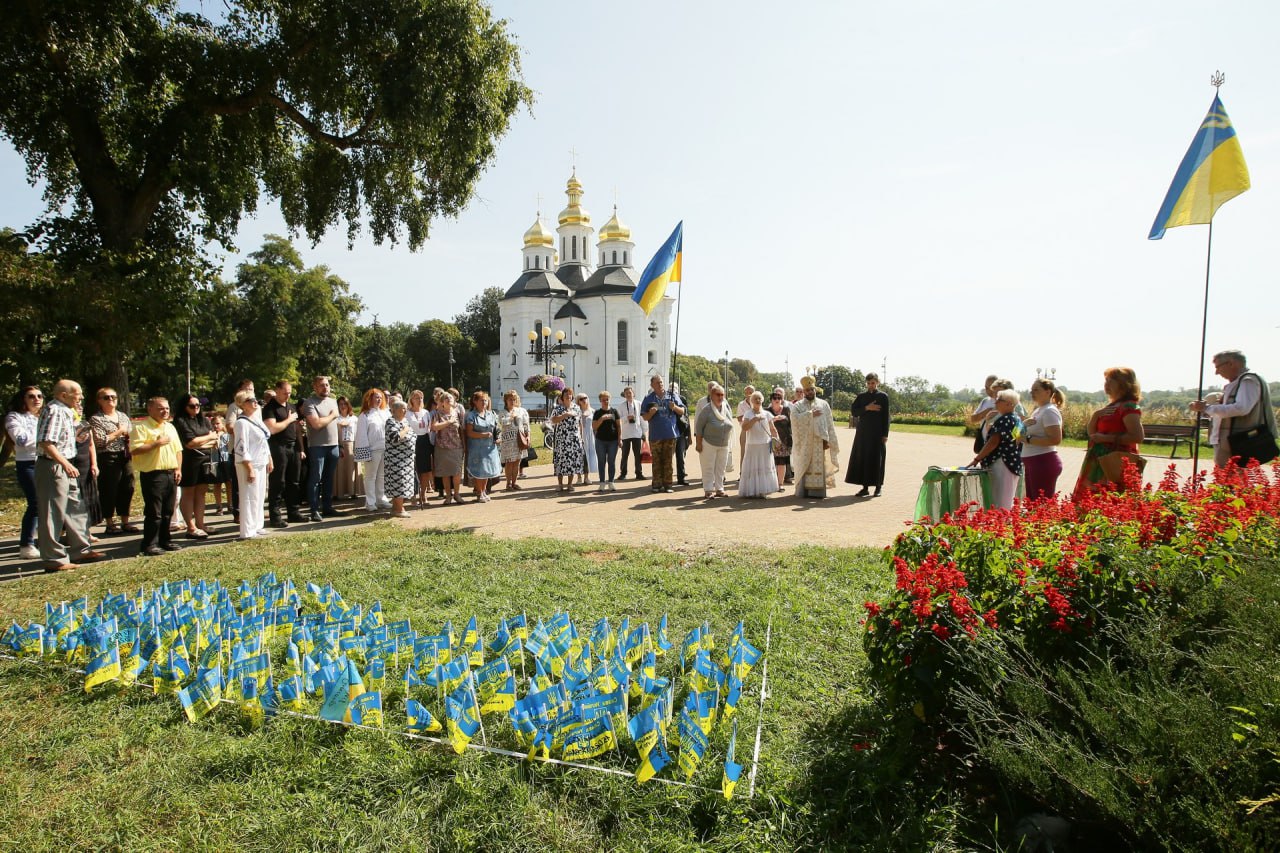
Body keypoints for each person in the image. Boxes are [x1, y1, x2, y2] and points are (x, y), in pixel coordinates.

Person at [33, 380, 105, 570]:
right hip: (53, 465)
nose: (81, 397)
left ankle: (80, 550)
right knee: (52, 511)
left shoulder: (66, 410)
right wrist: (64, 464)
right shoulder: (54, 410)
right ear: (64, 395)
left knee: (76, 507)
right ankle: (53, 559)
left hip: (66, 464)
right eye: (78, 393)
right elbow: (46, 442)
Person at [1190, 349, 1278, 468]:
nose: (1216, 372)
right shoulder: (1240, 382)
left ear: (1231, 363)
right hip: (1232, 441)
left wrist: (1207, 408)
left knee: (1231, 481)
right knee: (1227, 480)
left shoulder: (1248, 381)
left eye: (1218, 367)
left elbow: (1241, 408)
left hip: (1238, 442)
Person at [1074, 367, 1146, 498]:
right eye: (1105, 381)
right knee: (1089, 502)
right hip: (1098, 461)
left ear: (1124, 384)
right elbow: (1092, 433)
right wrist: (1095, 416)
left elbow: (1137, 436)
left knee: (1110, 500)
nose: (1106, 385)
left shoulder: (1129, 406)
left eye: (1110, 381)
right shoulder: (1112, 406)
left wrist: (1106, 438)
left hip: (1114, 462)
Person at [129, 396, 184, 556]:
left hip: (171, 473)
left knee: (168, 510)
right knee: (154, 512)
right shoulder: (141, 427)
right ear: (150, 409)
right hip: (153, 474)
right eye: (161, 408)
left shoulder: (170, 427)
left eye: (167, 408)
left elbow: (178, 450)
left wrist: (178, 469)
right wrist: (155, 443)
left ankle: (165, 540)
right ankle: (149, 544)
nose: (165, 411)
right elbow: (135, 449)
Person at [174, 393, 220, 539]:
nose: (196, 408)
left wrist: (203, 441)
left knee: (201, 492)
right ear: (184, 407)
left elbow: (214, 440)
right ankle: (191, 527)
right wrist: (208, 438)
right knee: (188, 492)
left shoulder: (204, 420)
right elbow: (190, 443)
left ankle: (201, 524)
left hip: (205, 460)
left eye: (198, 405)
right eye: (192, 406)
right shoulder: (181, 421)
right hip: (189, 462)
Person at [970, 389, 1024, 510]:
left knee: (999, 501)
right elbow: (1017, 439)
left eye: (1000, 400)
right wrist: (989, 421)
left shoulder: (1005, 419)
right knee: (1006, 500)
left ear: (1010, 404)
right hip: (1012, 463)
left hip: (1002, 462)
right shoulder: (1016, 419)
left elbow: (993, 442)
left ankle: (999, 526)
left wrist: (977, 458)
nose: (996, 402)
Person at [6, 387, 42, 560]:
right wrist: (45, 437)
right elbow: (20, 440)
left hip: (46, 462)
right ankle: (26, 544)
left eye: (39, 396)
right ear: (23, 399)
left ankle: (46, 540)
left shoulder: (43, 417)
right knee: (35, 503)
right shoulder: (14, 417)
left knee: (48, 503)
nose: (37, 399)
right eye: (31, 396)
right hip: (27, 464)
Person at [790, 375, 840, 498]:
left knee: (819, 466)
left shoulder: (824, 404)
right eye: (807, 390)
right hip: (805, 443)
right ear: (803, 391)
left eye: (812, 389)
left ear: (815, 390)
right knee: (805, 465)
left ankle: (818, 492)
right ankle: (804, 491)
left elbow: (829, 423)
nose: (810, 392)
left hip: (819, 442)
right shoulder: (798, 406)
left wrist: (829, 439)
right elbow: (794, 420)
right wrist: (809, 414)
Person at [262, 380, 304, 526]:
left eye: (290, 393)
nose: (288, 395)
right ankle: (275, 516)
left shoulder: (291, 407)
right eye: (285, 392)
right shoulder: (269, 408)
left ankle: (294, 512)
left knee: (294, 481)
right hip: (278, 447)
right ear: (277, 391)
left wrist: (301, 448)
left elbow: (297, 429)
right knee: (278, 482)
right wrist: (289, 419)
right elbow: (272, 429)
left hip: (293, 447)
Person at [232, 391, 272, 540]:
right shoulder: (241, 423)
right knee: (249, 496)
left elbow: (264, 441)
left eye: (256, 399)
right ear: (242, 404)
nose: (255, 402)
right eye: (251, 400)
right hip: (249, 464)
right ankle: (247, 531)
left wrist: (269, 459)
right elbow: (242, 447)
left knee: (260, 495)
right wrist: (249, 469)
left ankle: (257, 525)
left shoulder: (256, 419)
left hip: (261, 462)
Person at [302, 375, 342, 521]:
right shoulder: (309, 403)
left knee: (329, 478)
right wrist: (333, 415)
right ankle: (314, 510)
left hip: (333, 445)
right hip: (317, 446)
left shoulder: (332, 401)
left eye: (327, 385)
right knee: (315, 478)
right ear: (315, 387)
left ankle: (327, 507)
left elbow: (333, 424)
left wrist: (340, 445)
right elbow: (316, 424)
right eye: (321, 385)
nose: (325, 387)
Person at [845, 373, 891, 497]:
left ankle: (878, 487)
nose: (871, 385)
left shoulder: (883, 397)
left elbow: (886, 417)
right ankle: (864, 487)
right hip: (863, 433)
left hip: (877, 433)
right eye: (869, 383)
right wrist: (867, 408)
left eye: (873, 383)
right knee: (863, 458)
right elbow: (854, 412)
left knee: (877, 459)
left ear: (877, 382)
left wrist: (885, 434)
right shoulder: (861, 397)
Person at [1020, 378, 1066, 500]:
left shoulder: (1050, 411)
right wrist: (1023, 424)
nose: (1032, 393)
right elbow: (1016, 436)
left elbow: (1055, 439)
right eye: (1031, 390)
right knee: (1033, 506)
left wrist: (1028, 439)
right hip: (1033, 463)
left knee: (1041, 507)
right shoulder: (1038, 411)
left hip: (1042, 463)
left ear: (1047, 391)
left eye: (1036, 390)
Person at [641, 374, 684, 494]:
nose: (660, 384)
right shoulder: (649, 398)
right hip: (655, 434)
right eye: (657, 383)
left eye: (661, 382)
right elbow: (644, 417)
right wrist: (651, 413)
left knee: (668, 460)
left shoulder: (672, 396)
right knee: (656, 460)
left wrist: (674, 407)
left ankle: (668, 484)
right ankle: (656, 484)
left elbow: (682, 411)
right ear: (652, 385)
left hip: (670, 433)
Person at [694, 383, 734, 498]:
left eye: (722, 395)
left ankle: (719, 489)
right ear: (711, 395)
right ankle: (708, 490)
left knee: (721, 468)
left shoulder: (726, 408)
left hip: (724, 443)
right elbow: (699, 427)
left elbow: (730, 422)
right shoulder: (706, 409)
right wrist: (698, 444)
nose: (720, 397)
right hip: (708, 443)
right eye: (718, 394)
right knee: (708, 467)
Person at [354, 388, 392, 512]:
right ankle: (370, 502)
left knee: (381, 476)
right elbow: (361, 435)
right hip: (372, 450)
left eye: (380, 397)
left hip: (385, 448)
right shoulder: (364, 415)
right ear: (369, 399)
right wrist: (365, 453)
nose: (379, 399)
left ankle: (381, 499)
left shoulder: (386, 413)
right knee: (371, 476)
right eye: (376, 397)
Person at [739, 391, 781, 498]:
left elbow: (772, 428)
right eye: (755, 399)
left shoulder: (767, 414)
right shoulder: (748, 414)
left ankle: (763, 490)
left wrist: (777, 439)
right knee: (753, 468)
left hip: (765, 445)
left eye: (759, 398)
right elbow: (744, 428)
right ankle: (752, 491)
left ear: (762, 400)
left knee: (764, 468)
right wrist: (754, 419)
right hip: (752, 446)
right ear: (752, 401)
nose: (758, 400)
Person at [465, 391, 502, 502]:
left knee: (487, 471)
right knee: (479, 470)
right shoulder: (471, 415)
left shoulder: (491, 414)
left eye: (485, 400)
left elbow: (497, 429)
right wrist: (483, 435)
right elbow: (469, 433)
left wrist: (498, 438)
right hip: (477, 448)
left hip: (490, 448)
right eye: (481, 400)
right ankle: (479, 492)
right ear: (475, 402)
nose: (484, 402)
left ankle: (484, 490)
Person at [383, 399, 416, 517]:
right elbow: (395, 438)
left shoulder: (405, 421)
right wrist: (405, 430)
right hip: (396, 460)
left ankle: (396, 508)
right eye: (403, 408)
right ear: (394, 410)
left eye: (406, 408)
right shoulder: (391, 422)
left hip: (407, 460)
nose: (405, 410)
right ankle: (398, 509)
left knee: (404, 483)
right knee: (399, 483)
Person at [430, 391, 464, 505]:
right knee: (445, 473)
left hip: (456, 446)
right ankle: (448, 496)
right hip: (442, 447)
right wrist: (449, 422)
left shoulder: (457, 412)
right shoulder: (437, 414)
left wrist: (464, 445)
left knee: (457, 472)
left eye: (450, 398)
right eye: (446, 398)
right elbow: (434, 427)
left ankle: (457, 494)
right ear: (442, 402)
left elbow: (462, 429)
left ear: (454, 401)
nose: (448, 399)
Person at [549, 387, 584, 492]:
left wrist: (581, 437)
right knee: (561, 461)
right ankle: (560, 484)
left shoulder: (577, 408)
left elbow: (580, 423)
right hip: (562, 439)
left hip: (574, 439)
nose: (568, 396)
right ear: (562, 397)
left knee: (572, 461)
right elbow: (553, 421)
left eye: (570, 394)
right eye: (566, 395)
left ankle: (570, 484)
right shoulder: (558, 408)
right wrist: (564, 415)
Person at [406, 389, 434, 508]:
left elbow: (429, 428)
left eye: (421, 397)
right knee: (412, 469)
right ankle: (413, 495)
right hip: (411, 441)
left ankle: (423, 494)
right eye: (416, 397)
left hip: (424, 441)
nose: (419, 400)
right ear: (411, 400)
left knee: (425, 470)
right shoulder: (407, 413)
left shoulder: (426, 412)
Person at [498, 390, 530, 491]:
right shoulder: (502, 412)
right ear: (506, 401)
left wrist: (528, 435)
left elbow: (526, 424)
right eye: (510, 399)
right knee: (509, 463)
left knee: (517, 462)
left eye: (514, 399)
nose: (512, 401)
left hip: (519, 440)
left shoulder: (521, 410)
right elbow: (502, 423)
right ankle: (508, 484)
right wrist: (511, 417)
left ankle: (514, 482)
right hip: (507, 442)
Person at [333, 395, 362, 501]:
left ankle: (353, 491)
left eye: (345, 404)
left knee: (351, 468)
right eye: (341, 404)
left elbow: (357, 433)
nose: (343, 406)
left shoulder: (354, 419)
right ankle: (338, 493)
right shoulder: (335, 418)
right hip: (339, 444)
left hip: (351, 444)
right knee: (339, 468)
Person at [592, 391, 620, 492]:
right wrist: (602, 419)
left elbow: (618, 426)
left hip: (613, 441)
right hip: (600, 441)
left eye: (607, 399)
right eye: (603, 400)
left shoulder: (614, 411)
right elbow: (594, 427)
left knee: (611, 462)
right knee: (601, 462)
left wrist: (619, 439)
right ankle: (602, 483)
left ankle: (611, 482)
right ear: (600, 401)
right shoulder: (597, 413)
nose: (606, 401)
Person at [617, 386, 646, 480]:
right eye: (626, 393)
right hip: (625, 434)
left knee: (638, 454)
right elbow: (618, 420)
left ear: (633, 393)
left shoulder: (639, 404)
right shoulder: (621, 406)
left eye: (630, 393)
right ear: (624, 395)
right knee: (624, 455)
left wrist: (644, 432)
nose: (629, 395)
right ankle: (623, 473)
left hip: (637, 432)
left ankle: (639, 473)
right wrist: (626, 418)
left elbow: (642, 418)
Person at [207, 411, 232, 514]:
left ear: (223, 424)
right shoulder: (210, 435)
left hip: (226, 460)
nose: (215, 426)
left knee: (229, 483)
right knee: (217, 484)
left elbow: (229, 446)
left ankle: (230, 504)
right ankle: (219, 506)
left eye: (217, 423)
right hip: (215, 461)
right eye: (213, 424)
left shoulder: (227, 435)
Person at [967, 374, 1000, 454]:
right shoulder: (985, 401)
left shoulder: (1009, 401)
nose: (987, 390)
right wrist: (986, 412)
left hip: (1001, 446)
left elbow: (1022, 422)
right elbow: (972, 419)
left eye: (990, 387)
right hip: (984, 443)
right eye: (986, 387)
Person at [767, 387, 792, 489]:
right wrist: (774, 419)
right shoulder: (766, 411)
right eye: (774, 398)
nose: (777, 399)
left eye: (779, 397)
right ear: (771, 400)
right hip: (770, 441)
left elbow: (792, 424)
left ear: (782, 399)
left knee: (781, 463)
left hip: (784, 440)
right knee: (770, 463)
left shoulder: (787, 410)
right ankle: (771, 484)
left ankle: (780, 484)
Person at [575, 393, 597, 486]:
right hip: (579, 436)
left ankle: (586, 477)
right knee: (579, 457)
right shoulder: (576, 411)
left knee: (588, 456)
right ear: (578, 401)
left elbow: (596, 426)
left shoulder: (592, 411)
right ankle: (579, 477)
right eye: (581, 399)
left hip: (590, 436)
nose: (584, 400)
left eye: (585, 398)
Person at [671, 381, 691, 486]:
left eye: (675, 388)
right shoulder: (667, 399)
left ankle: (681, 477)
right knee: (668, 457)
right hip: (670, 432)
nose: (673, 389)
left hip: (681, 431)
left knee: (681, 456)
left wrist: (689, 435)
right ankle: (667, 478)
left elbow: (686, 416)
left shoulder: (682, 399)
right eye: (671, 388)